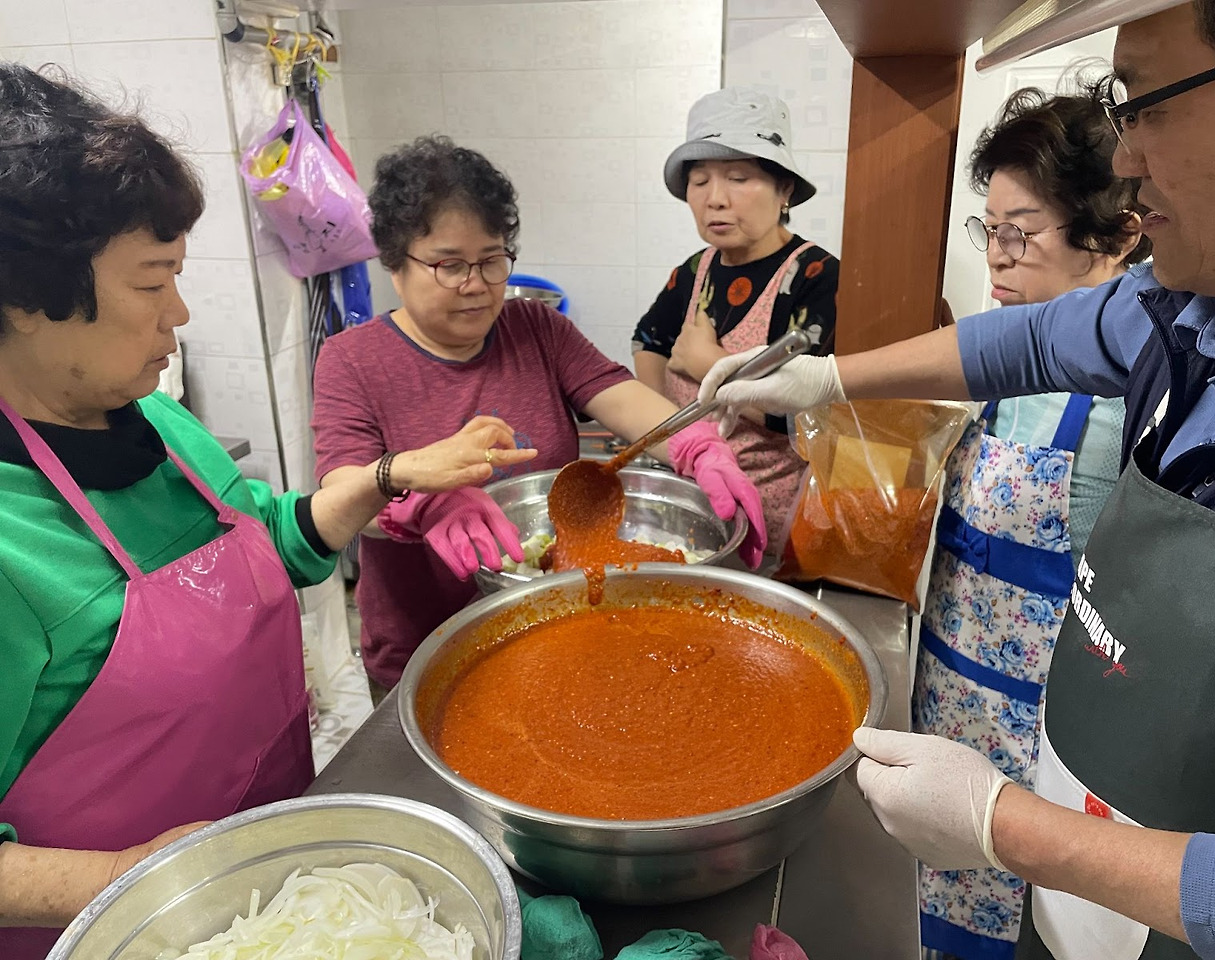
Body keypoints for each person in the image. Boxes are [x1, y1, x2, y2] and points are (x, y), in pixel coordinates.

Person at [699, 2, 1215, 956]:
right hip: (1071, 855)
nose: (1126, 156)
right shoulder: (1183, 316)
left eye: (1147, 103)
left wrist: (1005, 827)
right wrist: (827, 378)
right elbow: (1031, 341)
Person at [0, 65, 536, 955]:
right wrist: (124, 880)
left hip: (278, 885)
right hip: (143, 927)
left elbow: (267, 543)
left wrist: (391, 476)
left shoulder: (158, 424)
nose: (178, 313)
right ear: (24, 296)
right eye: (152, 283)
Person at [311, 136, 767, 699]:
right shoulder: (352, 359)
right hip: (425, 649)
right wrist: (421, 504)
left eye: (491, 260)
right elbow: (343, 491)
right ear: (395, 264)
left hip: (556, 630)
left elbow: (622, 397)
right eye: (449, 265)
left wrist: (695, 443)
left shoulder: (536, 328)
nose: (476, 285)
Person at [914, 85, 1147, 958]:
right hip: (948, 698)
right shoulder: (1001, 352)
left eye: (1021, 233)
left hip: (1042, 743)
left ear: (1116, 237)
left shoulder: (1133, 401)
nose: (996, 259)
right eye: (989, 230)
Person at [632, 87, 837, 552]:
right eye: (699, 181)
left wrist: (707, 364)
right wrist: (670, 430)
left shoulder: (816, 277)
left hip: (769, 519)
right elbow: (648, 341)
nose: (715, 199)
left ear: (784, 189)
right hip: (685, 501)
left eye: (739, 178)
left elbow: (812, 418)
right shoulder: (694, 270)